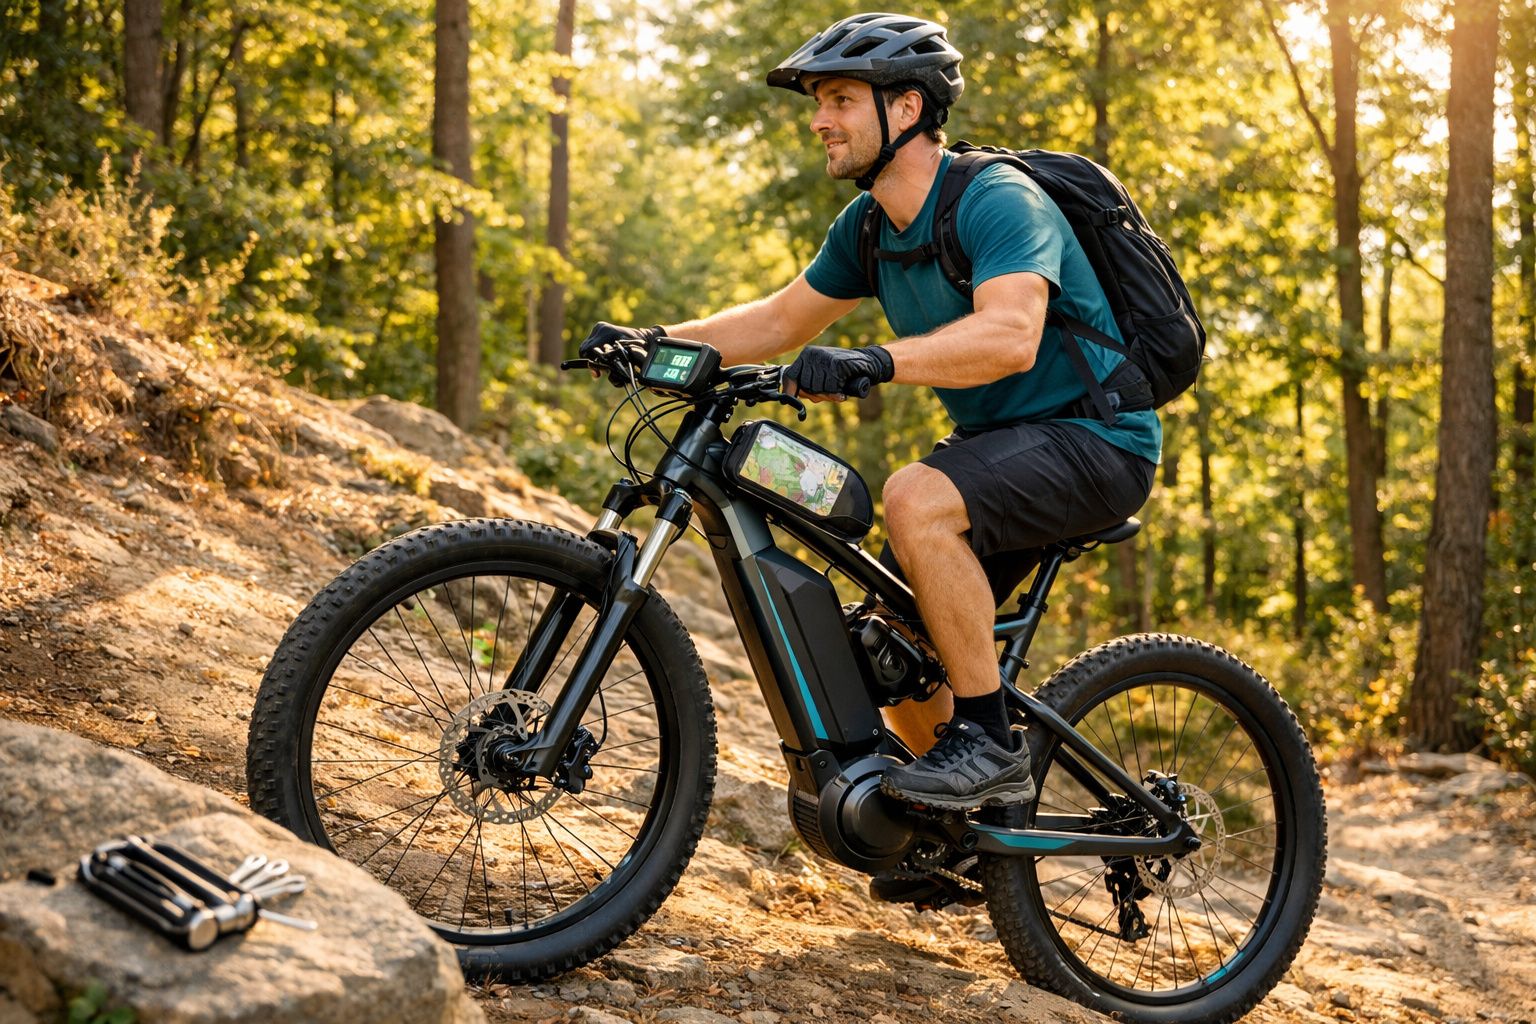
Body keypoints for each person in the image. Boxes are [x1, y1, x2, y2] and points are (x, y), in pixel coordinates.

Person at [579, 12, 1158, 832]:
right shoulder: (868, 228)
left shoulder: (995, 198)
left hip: (1098, 440)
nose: (820, 119)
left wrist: (874, 359)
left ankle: (987, 743)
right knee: (887, 654)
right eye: (819, 102)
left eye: (841, 99)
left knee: (915, 495)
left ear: (909, 109)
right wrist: (652, 342)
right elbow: (780, 322)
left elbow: (1012, 334)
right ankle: (955, 835)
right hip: (999, 448)